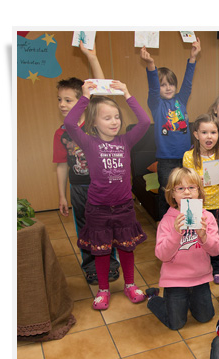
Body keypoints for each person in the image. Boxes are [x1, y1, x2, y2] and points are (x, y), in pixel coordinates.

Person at [63, 79, 150, 310]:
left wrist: (128, 94)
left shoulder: (125, 140)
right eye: (107, 117)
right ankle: (103, 290)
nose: (114, 122)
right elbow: (70, 123)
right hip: (98, 208)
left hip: (124, 207)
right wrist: (85, 98)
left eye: (117, 117)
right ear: (94, 121)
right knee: (101, 250)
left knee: (126, 246)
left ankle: (130, 284)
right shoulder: (88, 142)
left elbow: (144, 121)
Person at [52, 42, 119, 285]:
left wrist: (92, 57)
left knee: (106, 225)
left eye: (68, 100)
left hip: (102, 186)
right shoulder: (61, 133)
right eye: (59, 99)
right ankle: (90, 265)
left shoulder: (94, 123)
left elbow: (102, 89)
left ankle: (111, 262)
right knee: (84, 228)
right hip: (78, 188)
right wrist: (63, 196)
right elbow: (61, 165)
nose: (62, 104)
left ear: (83, 102)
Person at [145, 167, 219, 330]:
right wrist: (175, 233)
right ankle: (153, 299)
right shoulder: (167, 221)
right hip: (175, 281)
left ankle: (187, 302)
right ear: (172, 194)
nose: (187, 192)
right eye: (180, 188)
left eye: (191, 188)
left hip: (200, 278)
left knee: (205, 317)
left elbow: (217, 250)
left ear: (199, 191)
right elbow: (162, 255)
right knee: (175, 324)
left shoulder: (206, 217)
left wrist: (204, 236)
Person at [140, 37, 201, 219]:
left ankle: (190, 222)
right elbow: (152, 88)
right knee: (167, 193)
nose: (168, 88)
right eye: (163, 85)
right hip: (166, 160)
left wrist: (192, 58)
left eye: (171, 84)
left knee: (189, 192)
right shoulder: (156, 104)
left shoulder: (180, 100)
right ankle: (164, 223)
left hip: (186, 157)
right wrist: (151, 65)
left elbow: (188, 83)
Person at [182, 113, 219, 284]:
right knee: (194, 237)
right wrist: (197, 181)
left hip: (216, 204)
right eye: (204, 132)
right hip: (194, 205)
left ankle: (217, 268)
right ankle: (196, 267)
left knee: (215, 238)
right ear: (196, 135)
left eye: (213, 132)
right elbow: (186, 181)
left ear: (218, 134)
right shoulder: (189, 156)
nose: (209, 137)